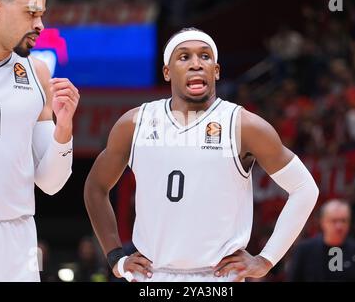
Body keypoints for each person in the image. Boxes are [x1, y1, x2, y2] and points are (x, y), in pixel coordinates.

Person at [84, 28, 319, 282]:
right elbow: (95, 187)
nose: (196, 64)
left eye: (205, 56)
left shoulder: (244, 126)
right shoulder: (134, 123)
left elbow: (305, 188)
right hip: (153, 277)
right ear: (167, 72)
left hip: (219, 279)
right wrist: (116, 259)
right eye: (184, 57)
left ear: (216, 70)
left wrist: (266, 259)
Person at [0, 0, 79, 282]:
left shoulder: (37, 72)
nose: (40, 25)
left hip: (19, 236)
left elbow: (51, 183)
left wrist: (64, 127)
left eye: (41, 15)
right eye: (31, 14)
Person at [287, 199, 355, 281]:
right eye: (334, 221)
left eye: (343, 220)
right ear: (322, 222)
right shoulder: (304, 250)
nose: (339, 226)